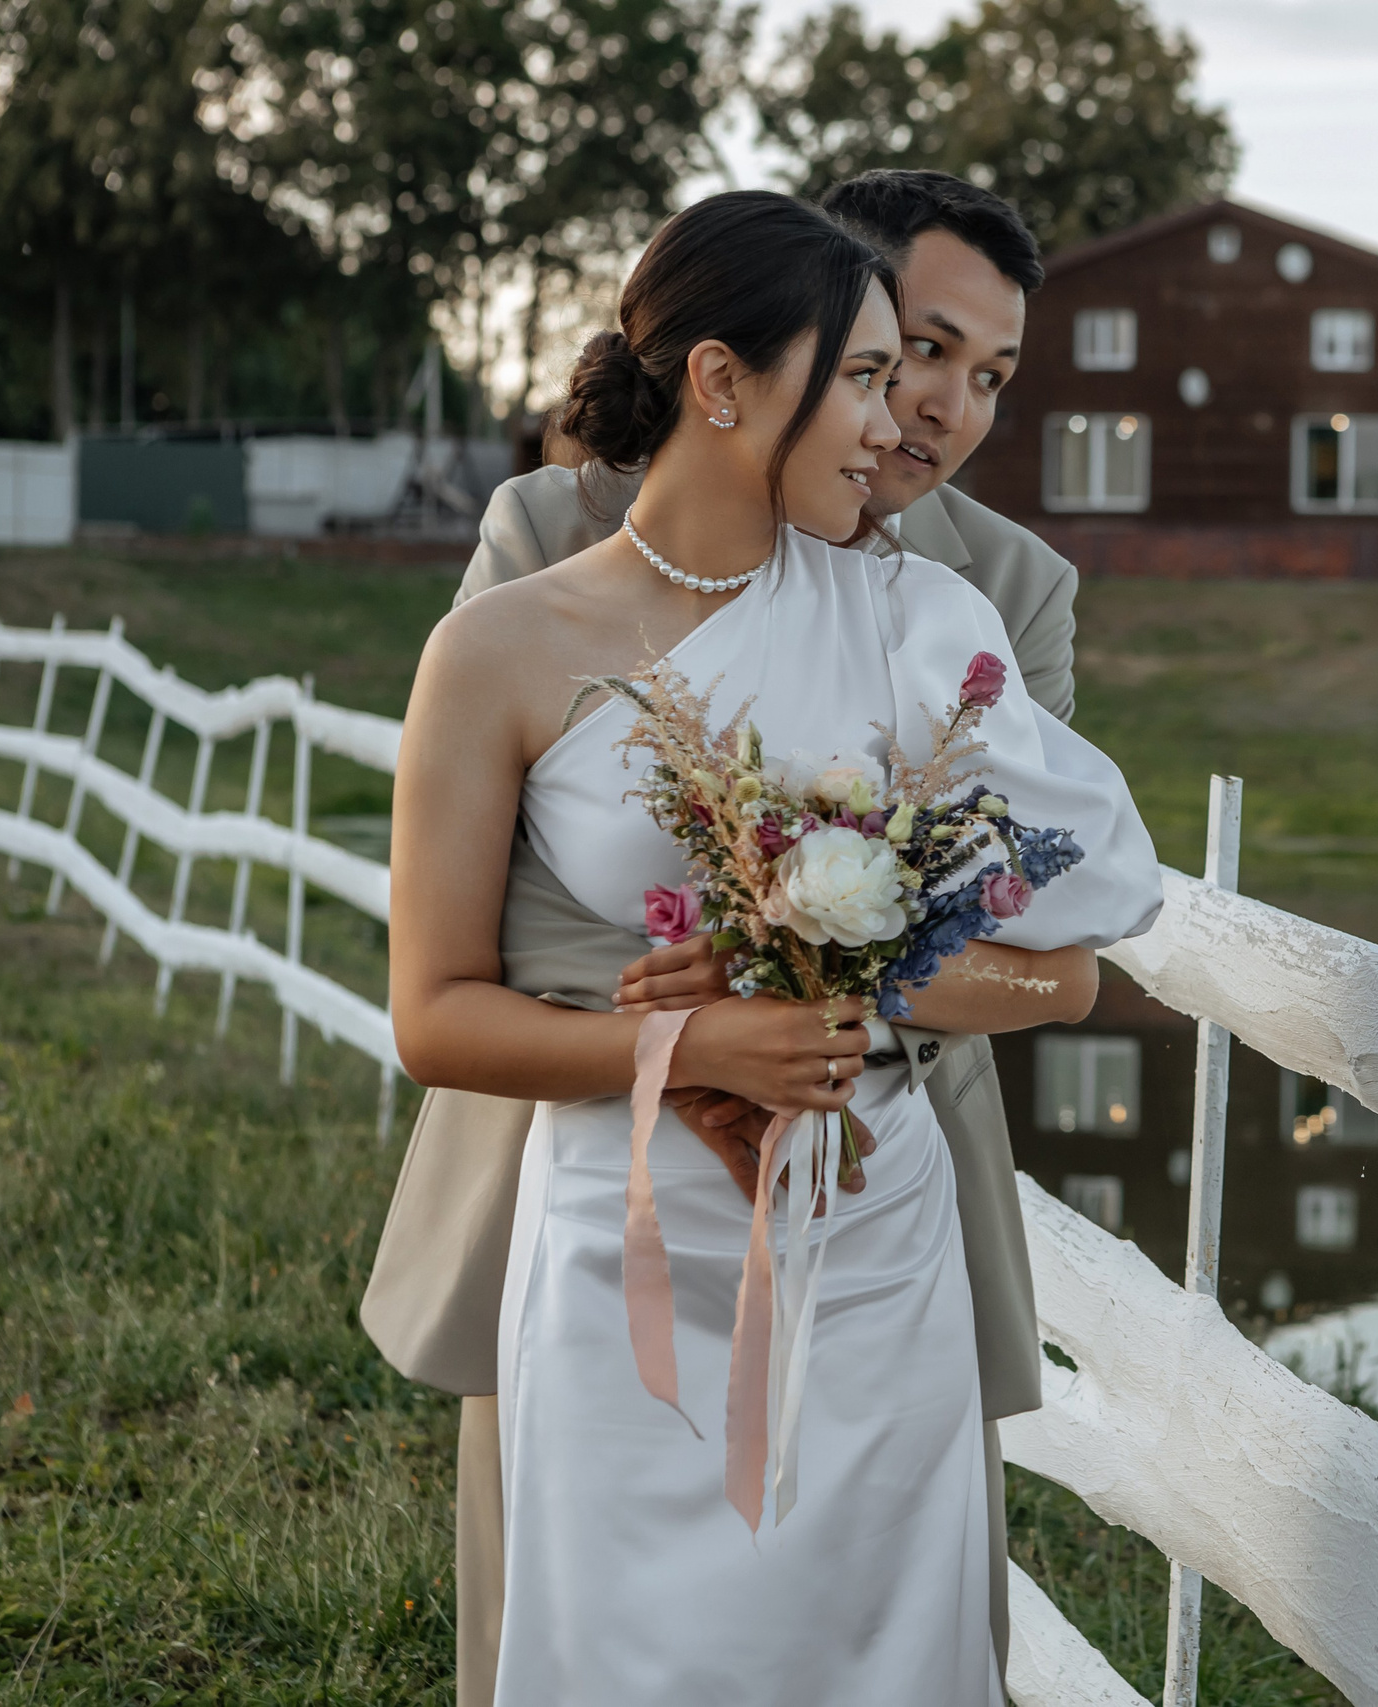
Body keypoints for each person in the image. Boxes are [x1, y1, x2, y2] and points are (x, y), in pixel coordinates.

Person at [385, 189, 1162, 1703]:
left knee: (878, 1646)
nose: (910, 425)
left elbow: (1074, 931)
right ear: (726, 382)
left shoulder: (927, 619)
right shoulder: (503, 638)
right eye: (875, 373)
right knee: (614, 1644)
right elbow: (436, 1009)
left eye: (958, 379)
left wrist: (810, 986)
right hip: (615, 1224)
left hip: (873, 1235)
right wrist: (692, 1045)